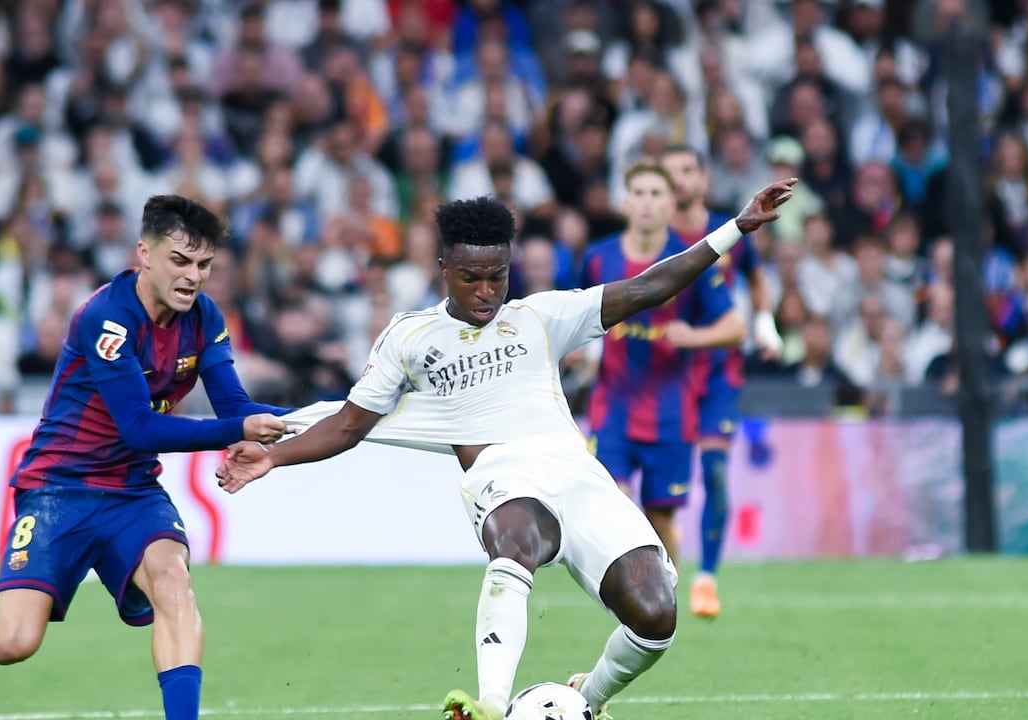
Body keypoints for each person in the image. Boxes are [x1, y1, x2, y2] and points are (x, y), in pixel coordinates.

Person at [216, 181, 795, 720]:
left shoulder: (540, 317)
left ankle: (584, 699)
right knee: (516, 540)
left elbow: (649, 287)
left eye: (498, 276)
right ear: (443, 269)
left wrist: (735, 228)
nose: (487, 291)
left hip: (576, 473)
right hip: (501, 475)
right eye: (471, 277)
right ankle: (489, 705)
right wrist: (274, 457)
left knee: (656, 614)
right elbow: (347, 425)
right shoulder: (410, 337)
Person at [0, 196, 293, 720]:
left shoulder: (204, 316)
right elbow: (140, 427)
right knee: (14, 642)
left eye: (204, 265)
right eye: (180, 261)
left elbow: (235, 404)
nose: (193, 277)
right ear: (145, 253)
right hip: (59, 489)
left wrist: (333, 415)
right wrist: (238, 430)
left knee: (173, 581)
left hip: (132, 490)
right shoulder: (106, 317)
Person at [582, 162, 748, 590]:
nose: (647, 202)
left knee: (659, 521)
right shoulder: (599, 258)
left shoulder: (692, 262)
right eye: (638, 192)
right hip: (613, 408)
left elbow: (735, 327)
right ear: (624, 202)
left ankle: (661, 599)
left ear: (671, 204)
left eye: (657, 194)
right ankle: (631, 600)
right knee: (615, 505)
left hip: (671, 413)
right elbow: (573, 312)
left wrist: (693, 336)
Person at [660, 145, 784, 618]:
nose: (681, 180)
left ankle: (707, 577)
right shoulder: (658, 239)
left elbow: (754, 277)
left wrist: (765, 321)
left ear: (703, 178)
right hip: (668, 374)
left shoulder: (730, 230)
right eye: (672, 173)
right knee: (664, 486)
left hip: (717, 372)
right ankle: (665, 568)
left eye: (688, 170)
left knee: (714, 471)